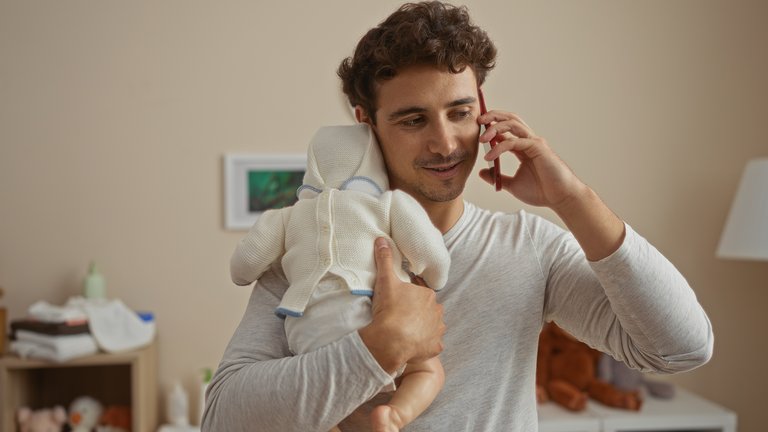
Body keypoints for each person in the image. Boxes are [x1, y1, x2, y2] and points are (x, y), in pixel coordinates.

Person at [202, 2, 713, 431]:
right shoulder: (311, 251)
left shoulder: (529, 247)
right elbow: (222, 416)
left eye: (460, 112)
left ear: (482, 108)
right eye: (413, 119)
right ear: (367, 124)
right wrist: (378, 347)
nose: (445, 143)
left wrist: (572, 197)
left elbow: (680, 349)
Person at [229, 123, 450, 431]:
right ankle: (394, 415)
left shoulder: (288, 216)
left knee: (325, 405)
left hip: (306, 332)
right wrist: (436, 279)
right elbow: (432, 256)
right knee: (428, 372)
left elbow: (242, 268)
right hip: (368, 313)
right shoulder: (386, 204)